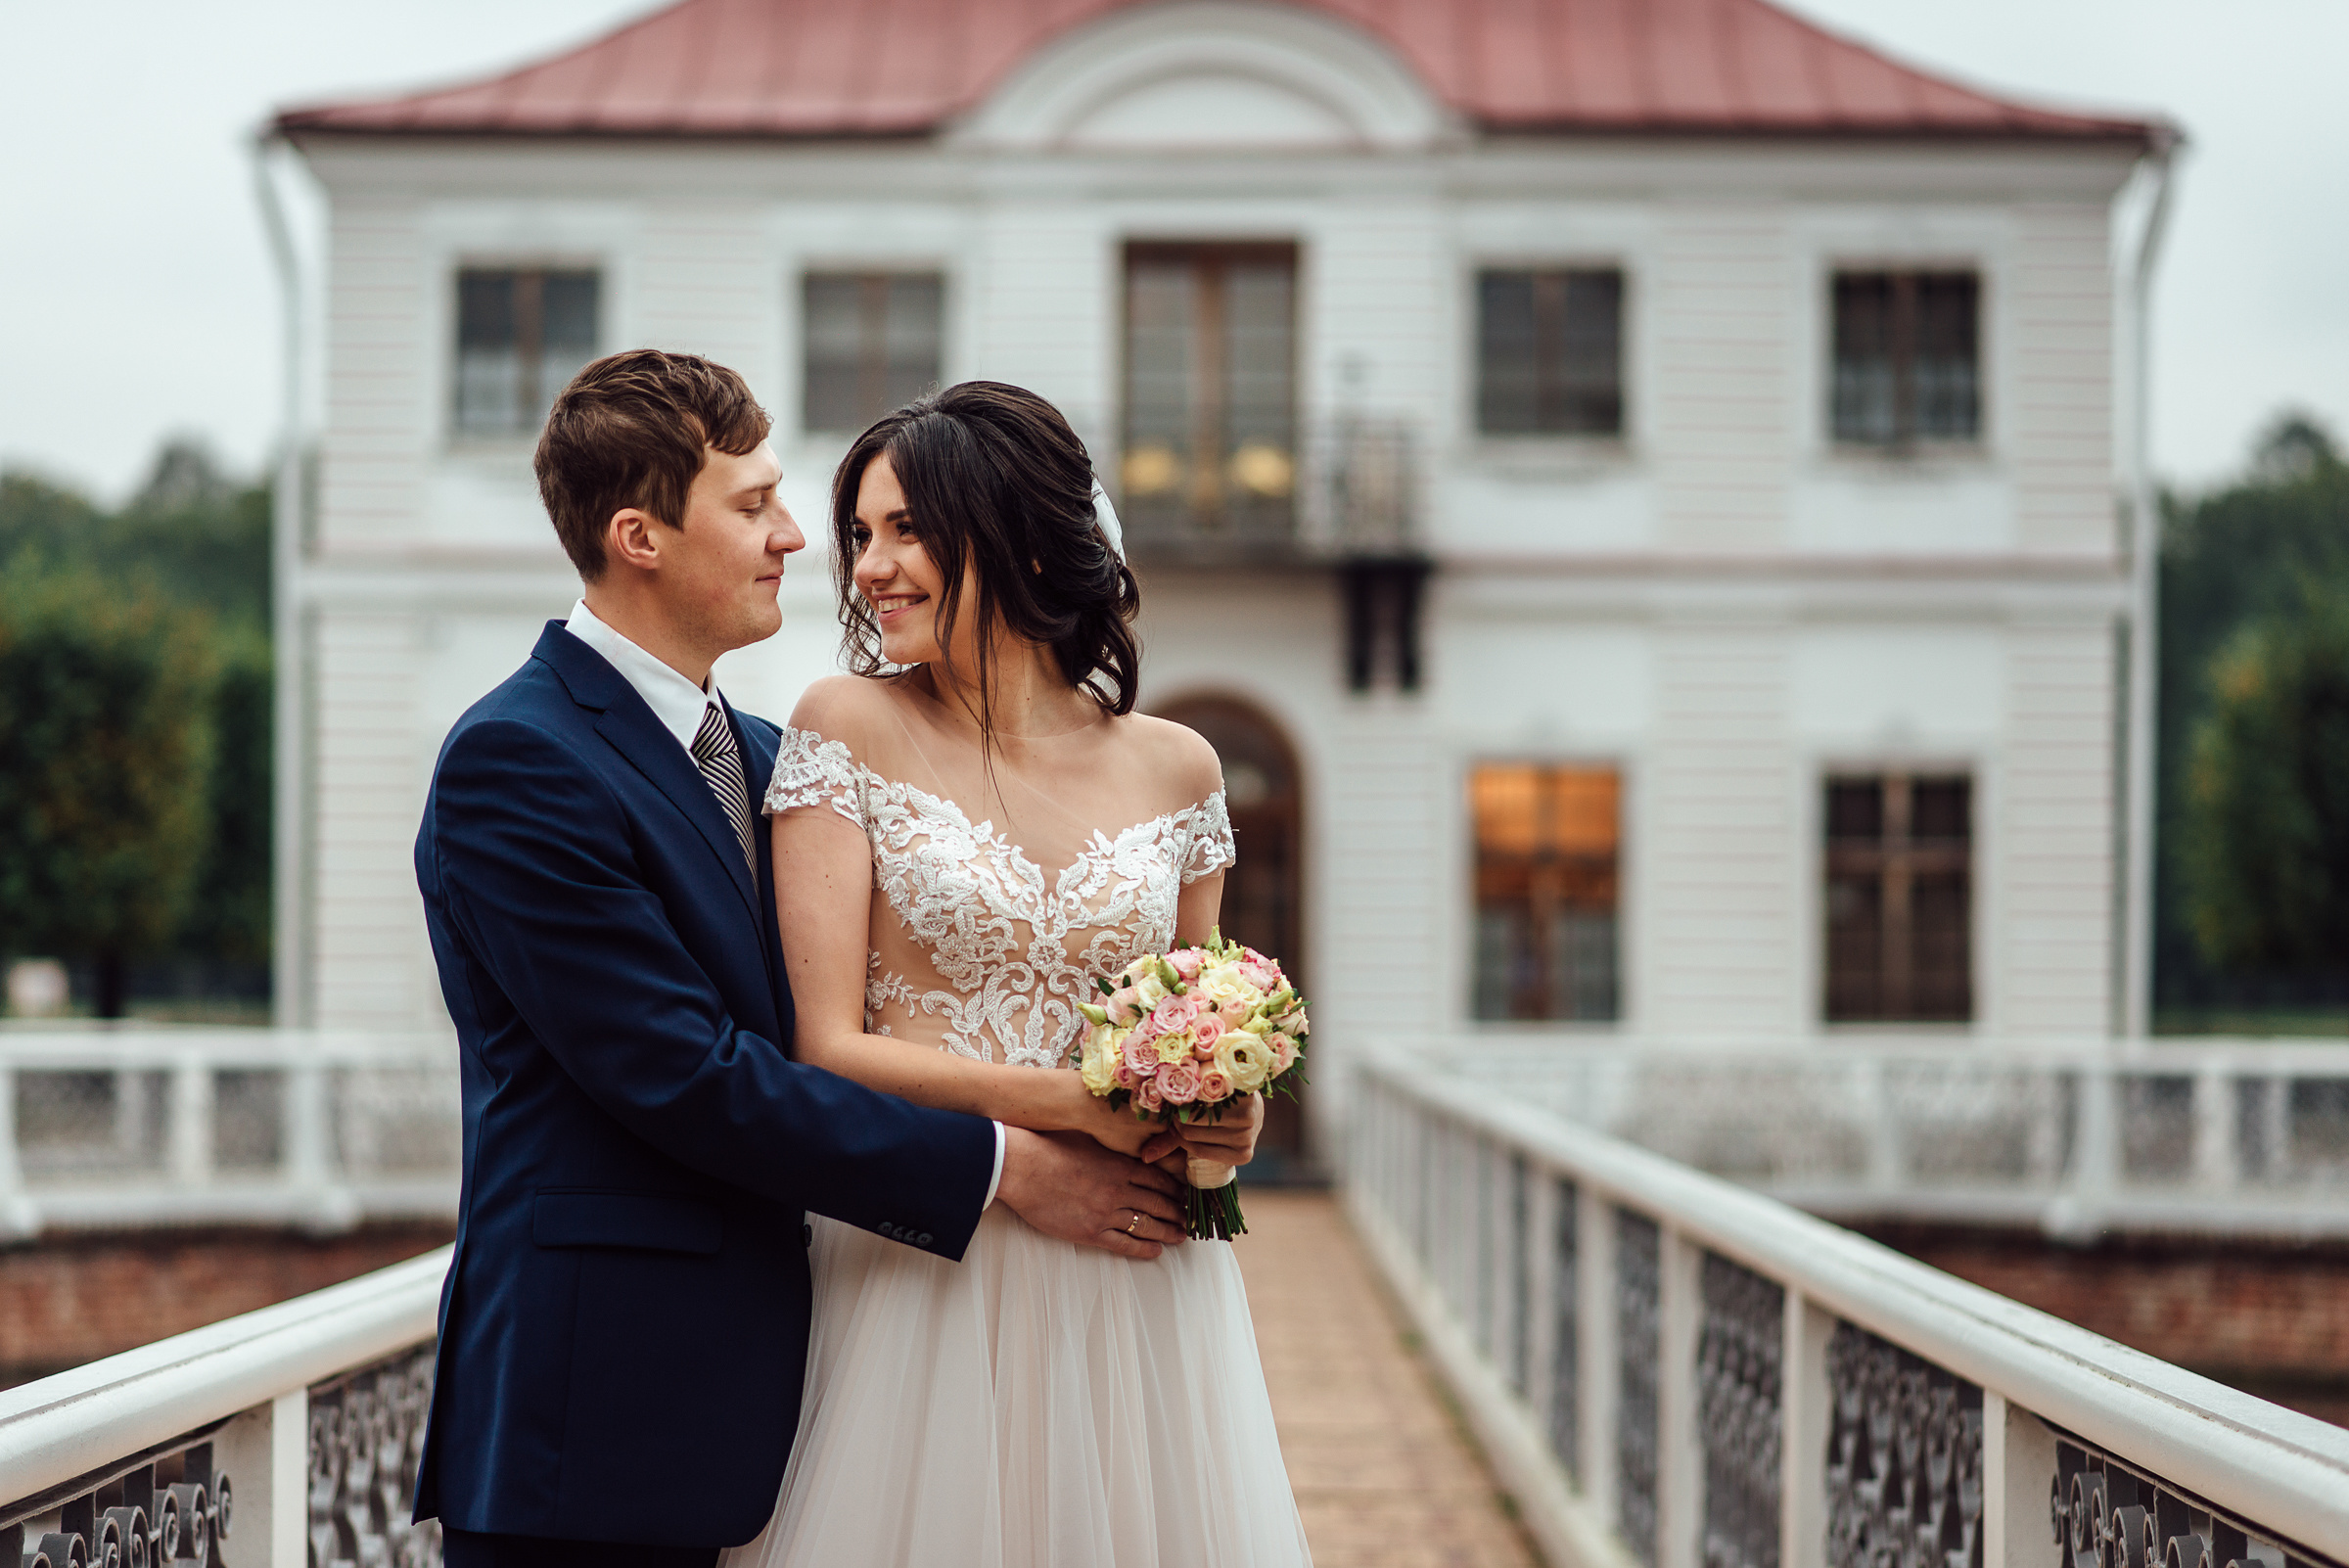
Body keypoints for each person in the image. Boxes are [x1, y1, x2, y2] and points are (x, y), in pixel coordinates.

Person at [409, 350, 1187, 1568]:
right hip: (596, 1416)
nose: (796, 539)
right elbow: (690, 1075)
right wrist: (1009, 1168)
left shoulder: (775, 756)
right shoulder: (518, 761)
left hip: (799, 1381)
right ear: (640, 536)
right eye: (754, 504)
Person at [720, 382, 1313, 1567]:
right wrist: (1074, 1114)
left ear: (1018, 533)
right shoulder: (845, 726)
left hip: (1141, 1273)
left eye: (907, 531)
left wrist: (1227, 1112)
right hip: (935, 1257)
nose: (869, 568)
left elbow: (1198, 1018)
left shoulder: (1180, 768)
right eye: (860, 536)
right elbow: (826, 1044)